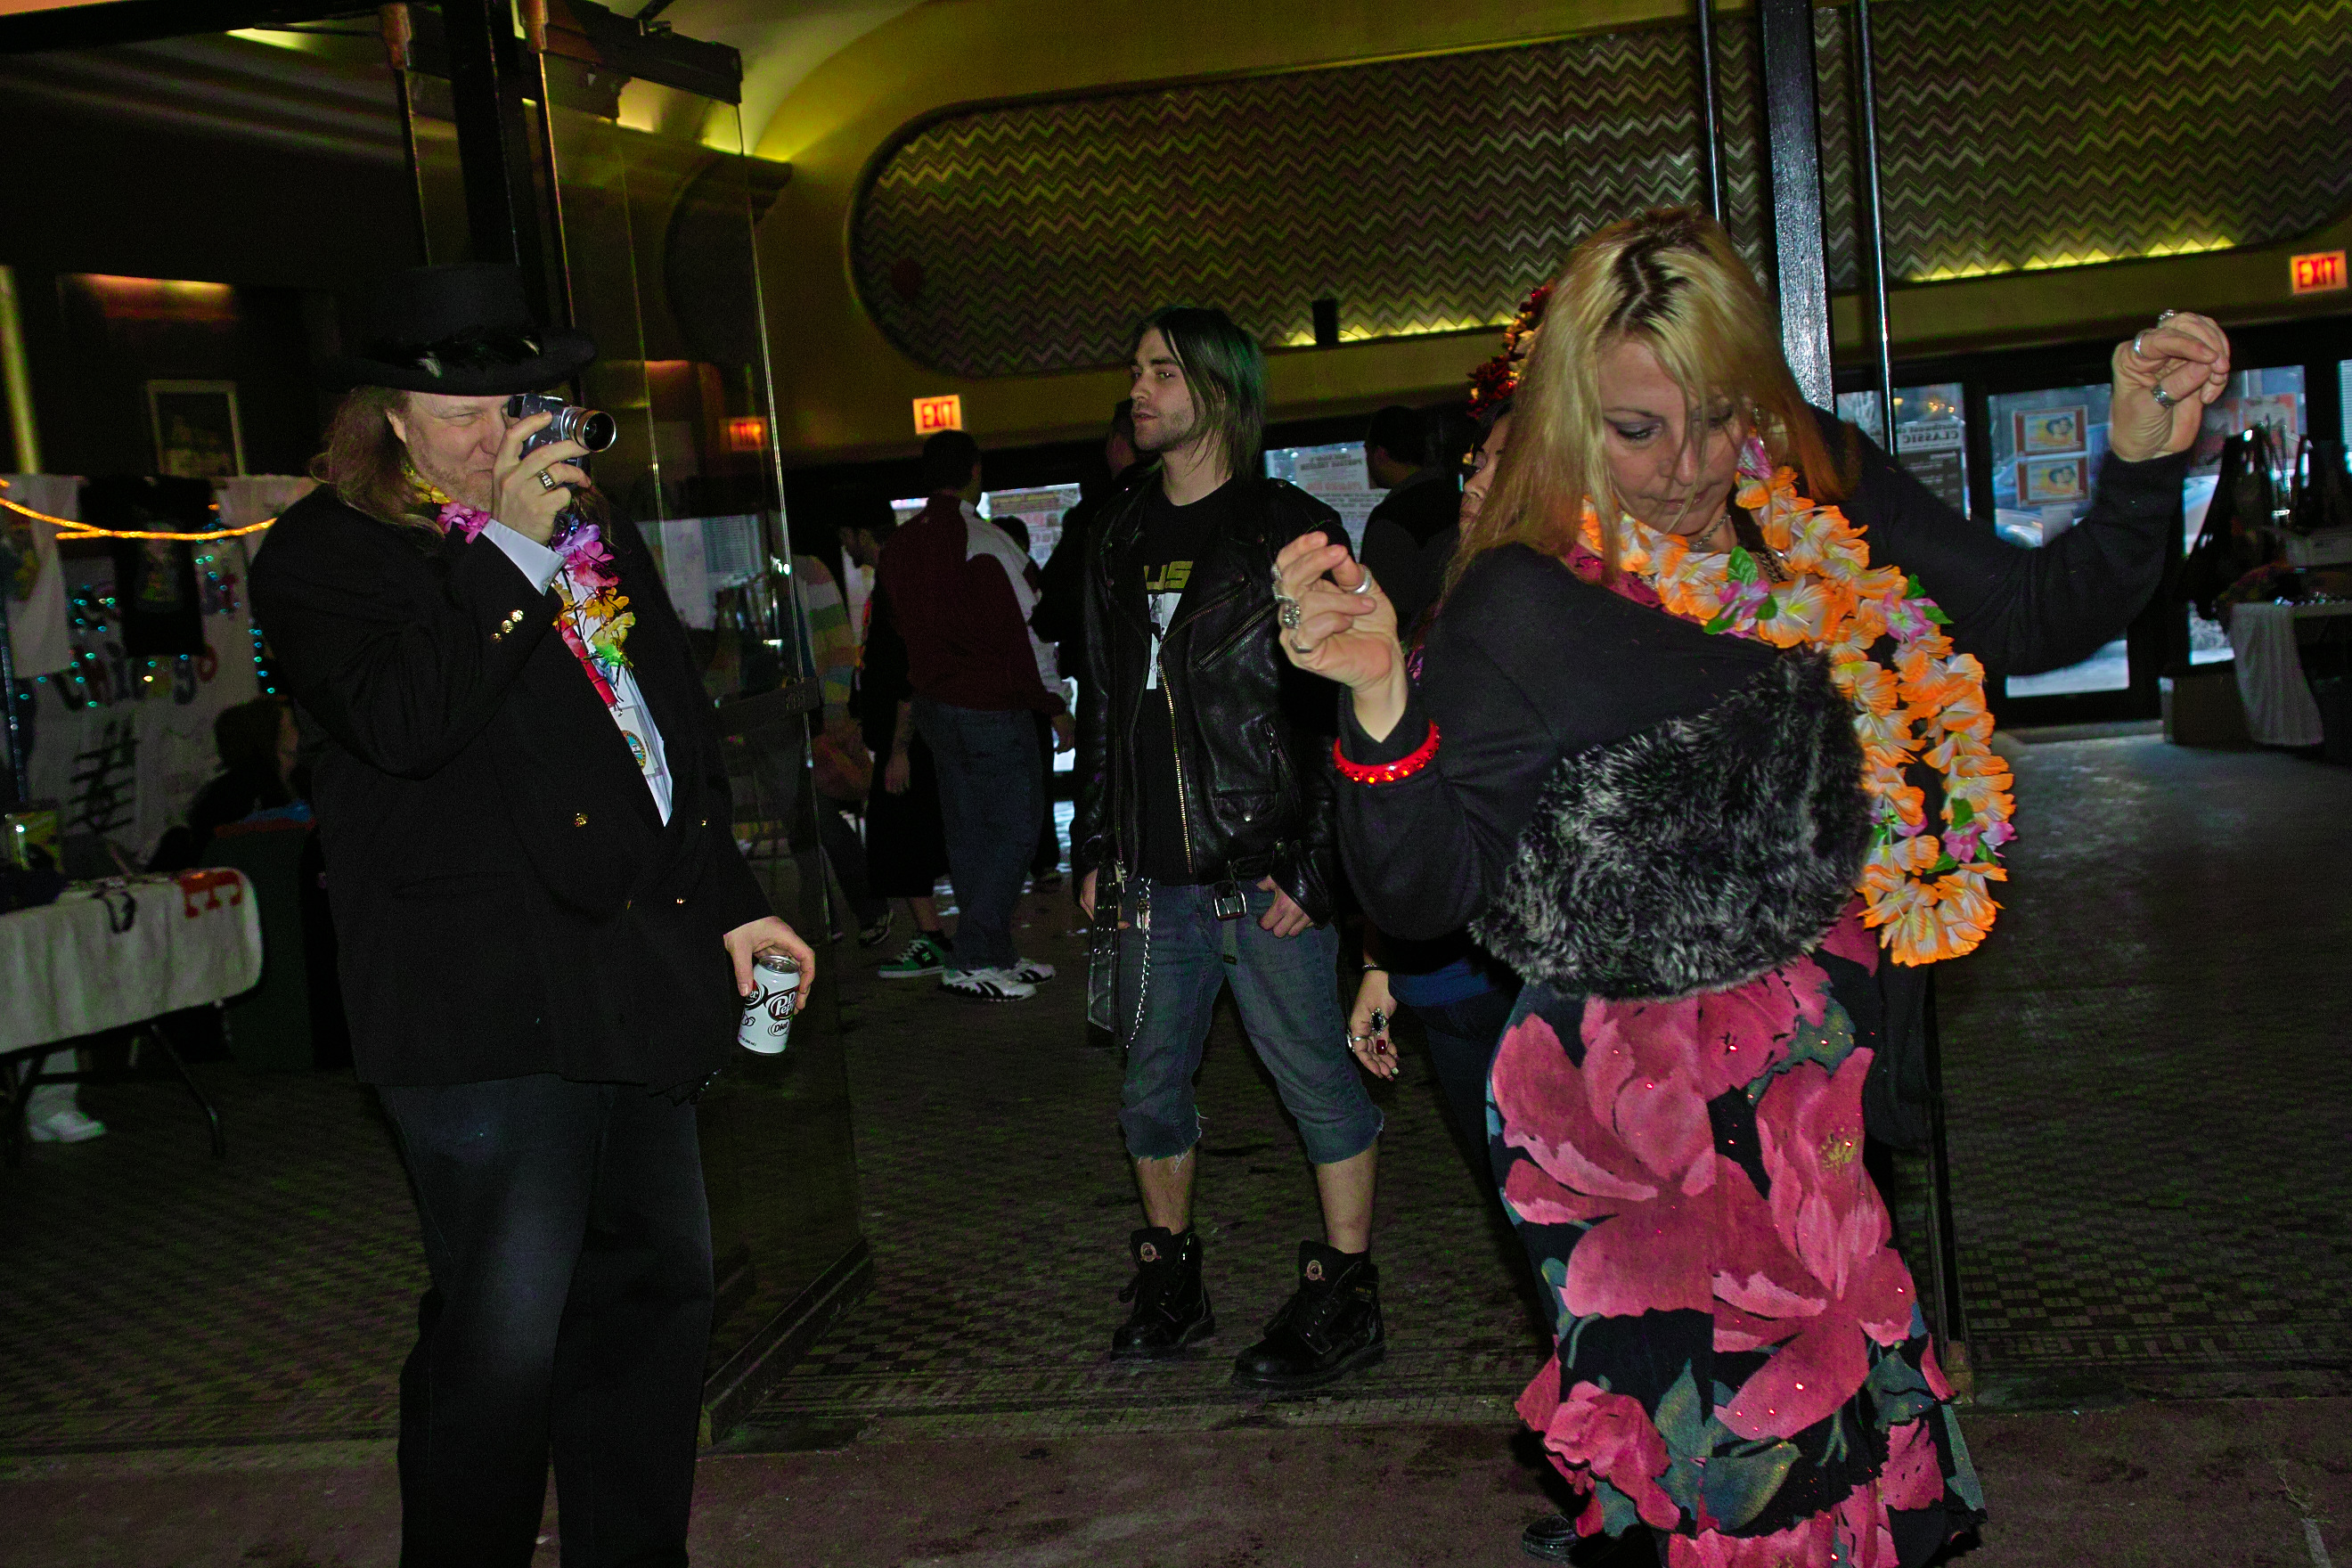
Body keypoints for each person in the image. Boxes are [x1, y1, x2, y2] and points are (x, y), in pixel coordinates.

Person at [1276, 208, 2228, 1566]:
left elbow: (2032, 617)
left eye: (1719, 418)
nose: (1687, 469)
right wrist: (1379, 703)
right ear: (1568, 415)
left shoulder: (1812, 490)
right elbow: (1425, 890)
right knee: (1729, 1480)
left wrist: (2137, 465)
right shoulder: (1522, 601)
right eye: (1636, 430)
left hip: (1809, 1080)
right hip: (1634, 1118)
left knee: (1834, 1451)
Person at [249, 262, 815, 1568]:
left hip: (631, 969)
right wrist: (507, 549)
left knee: (652, 1303)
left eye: (519, 408)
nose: (496, 439)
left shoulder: (584, 531)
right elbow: (409, 722)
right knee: (502, 1338)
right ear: (387, 418)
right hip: (483, 1003)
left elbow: (662, 733)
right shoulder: (327, 554)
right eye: (463, 414)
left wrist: (731, 905)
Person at [1074, 305, 1385, 1390]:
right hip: (1151, 878)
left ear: (1218, 389)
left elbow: (1344, 708)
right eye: (1136, 368)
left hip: (1264, 872)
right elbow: (1104, 698)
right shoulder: (1114, 531)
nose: (1139, 389)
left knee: (1317, 1083)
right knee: (1149, 1088)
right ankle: (1172, 1277)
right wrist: (1096, 842)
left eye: (1163, 371)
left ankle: (1347, 1290)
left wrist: (1317, 862)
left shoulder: (1290, 527)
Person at [876, 430, 1072, 1000]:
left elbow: (898, 633)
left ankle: (994, 954)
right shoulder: (985, 540)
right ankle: (975, 955)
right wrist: (1055, 704)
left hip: (935, 708)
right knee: (1017, 828)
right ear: (975, 472)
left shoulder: (900, 547)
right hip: (992, 703)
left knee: (968, 833)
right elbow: (1034, 627)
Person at [1356, 404, 1462, 633]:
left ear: (1380, 454)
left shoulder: (1391, 518)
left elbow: (1384, 612)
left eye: (1367, 452)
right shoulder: (1459, 499)